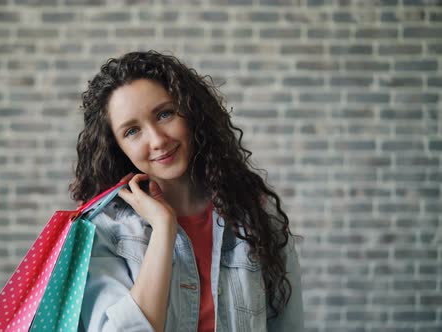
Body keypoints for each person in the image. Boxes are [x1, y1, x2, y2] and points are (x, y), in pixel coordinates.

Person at [70, 50, 303, 332]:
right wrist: (163, 228)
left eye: (165, 114)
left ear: (192, 112)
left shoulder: (258, 215)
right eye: (132, 131)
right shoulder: (103, 232)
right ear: (115, 146)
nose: (157, 140)